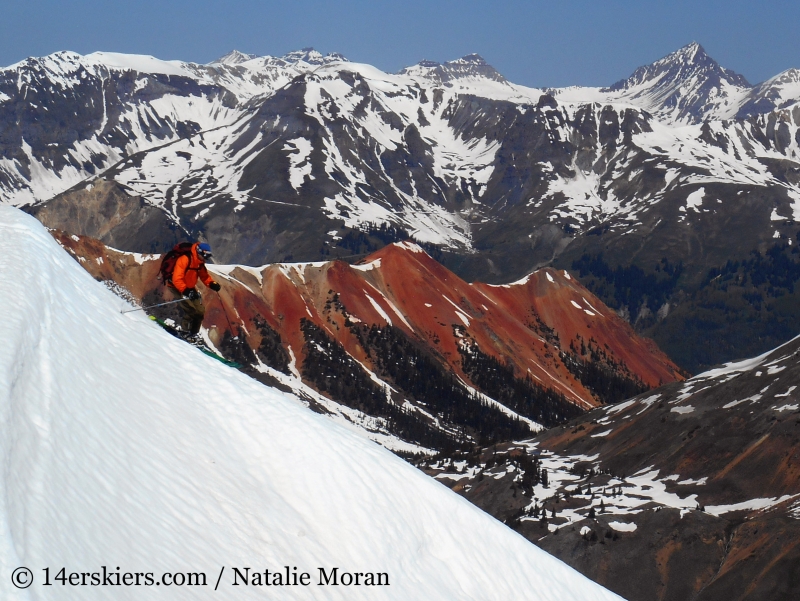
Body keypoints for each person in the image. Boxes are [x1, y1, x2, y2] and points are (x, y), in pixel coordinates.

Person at [167, 242, 221, 339]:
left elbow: (204, 277)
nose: (206, 259)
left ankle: (193, 334)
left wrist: (212, 284)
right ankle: (184, 332)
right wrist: (186, 291)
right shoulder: (185, 259)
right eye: (205, 256)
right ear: (199, 252)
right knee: (191, 310)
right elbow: (176, 279)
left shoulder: (199, 263)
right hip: (177, 287)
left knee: (200, 311)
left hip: (189, 288)